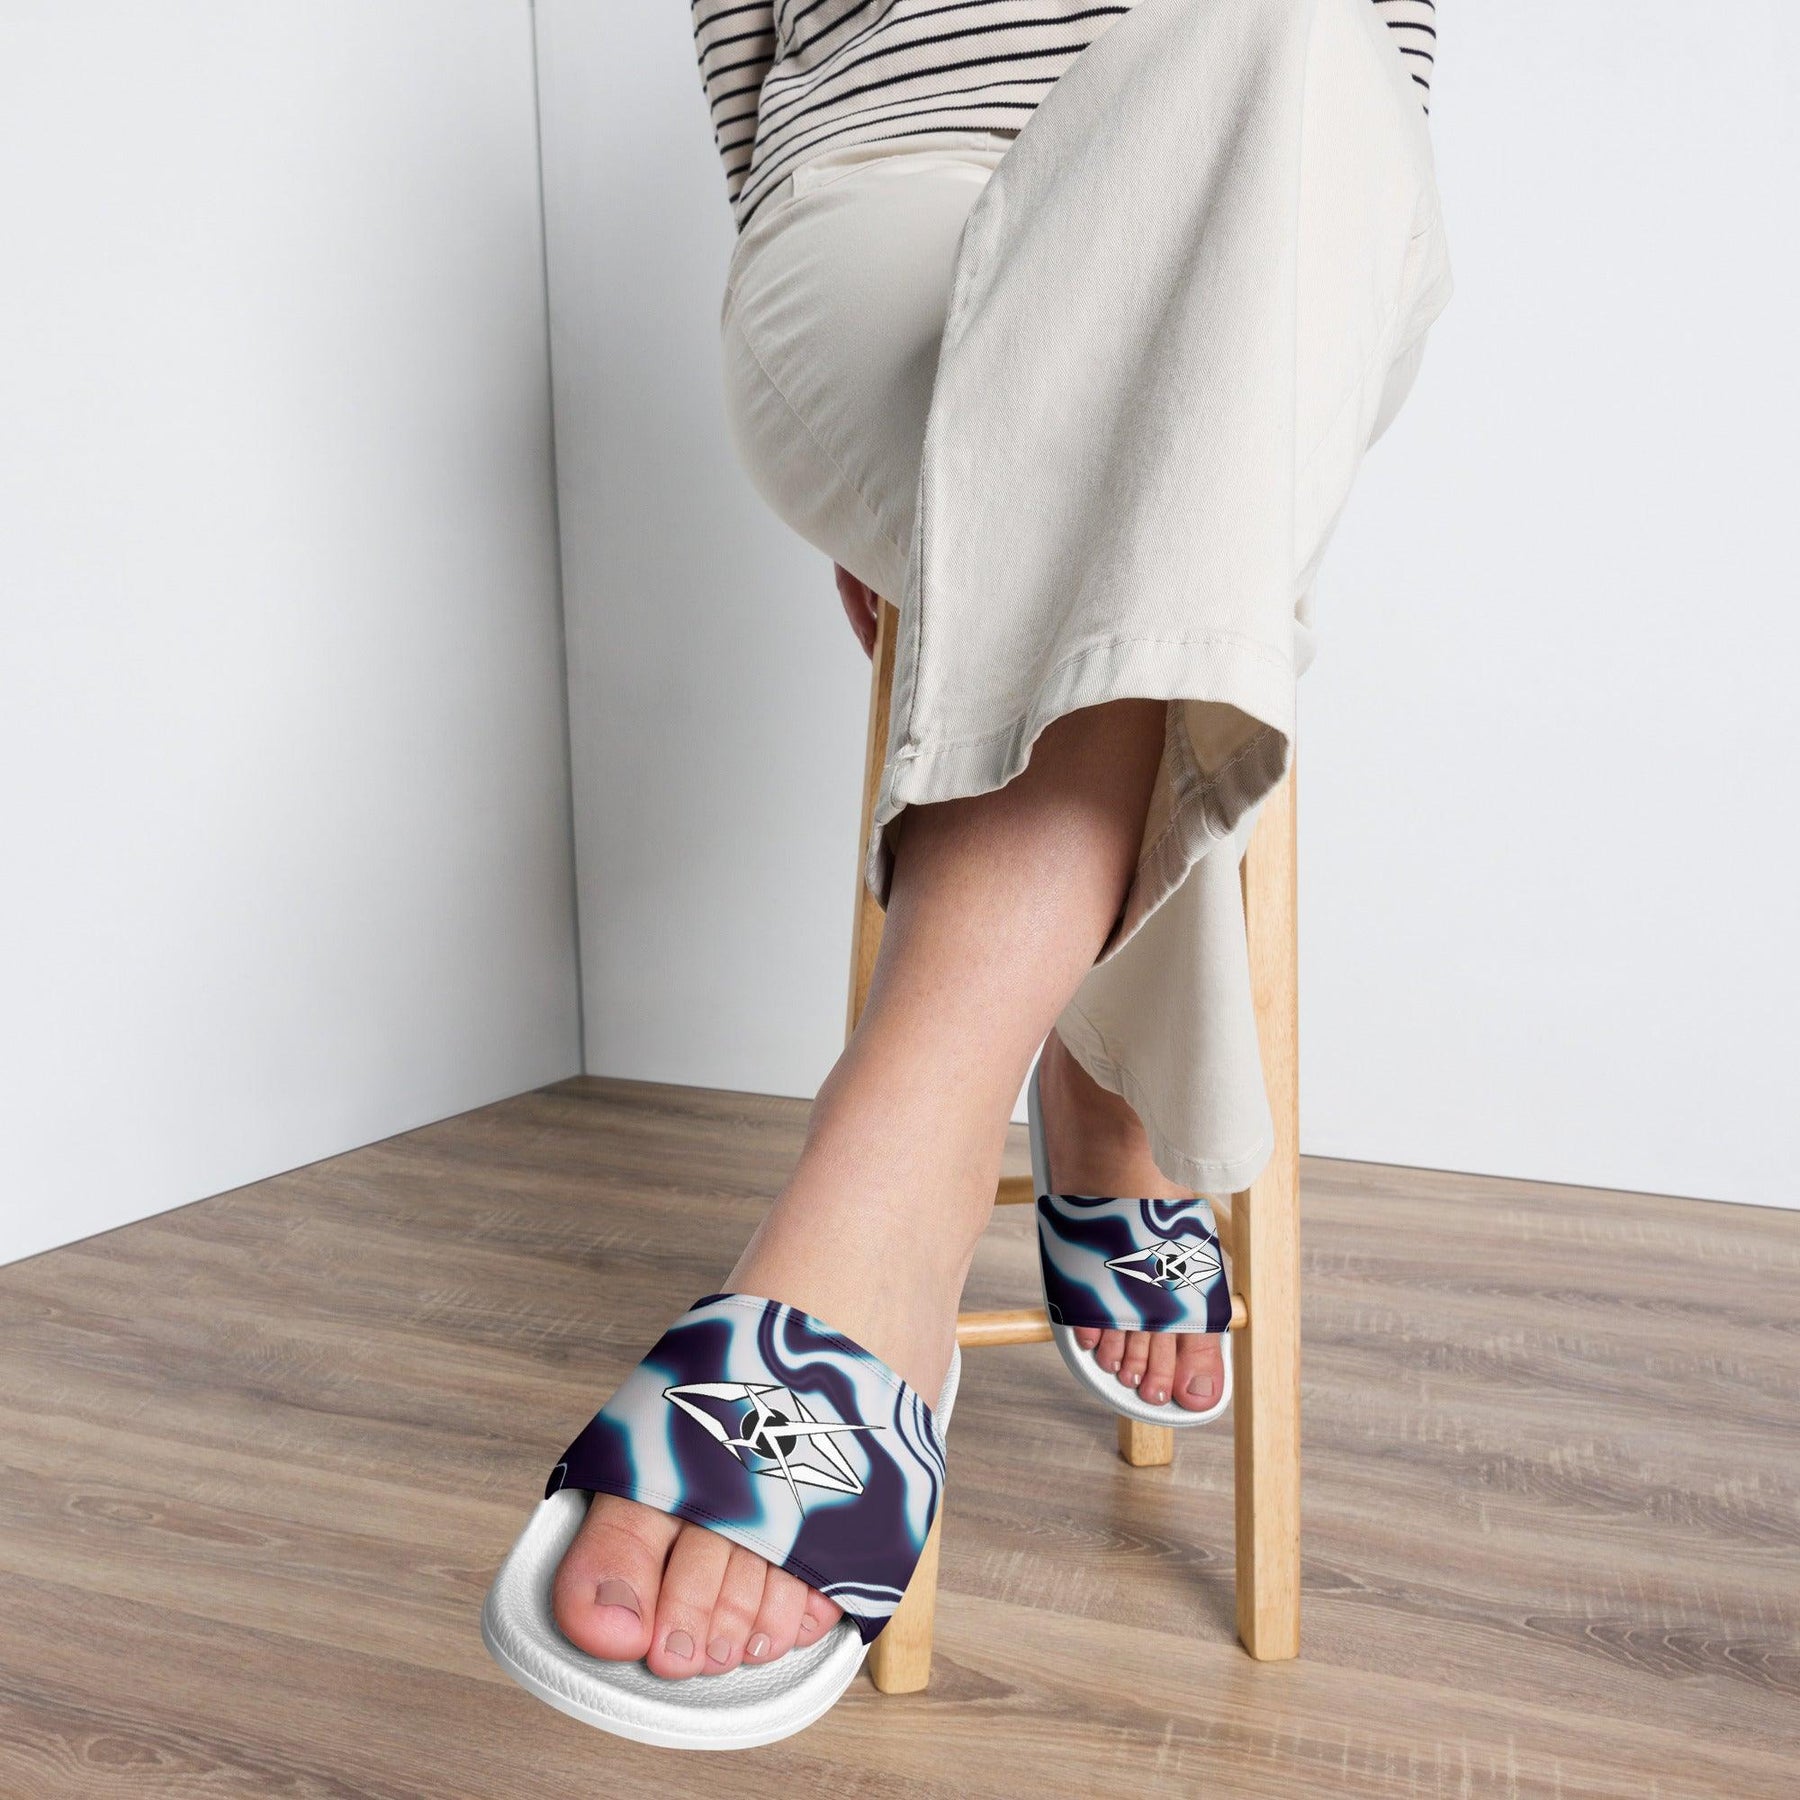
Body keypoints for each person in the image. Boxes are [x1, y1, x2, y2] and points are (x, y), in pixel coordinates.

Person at [545, 0, 1447, 1690]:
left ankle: (897, 1167)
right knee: (1183, 494)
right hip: (904, 210)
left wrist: (1308, 221)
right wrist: (874, 449)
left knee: (1286, 39)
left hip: (1271, 177)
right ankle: (1049, 1110)